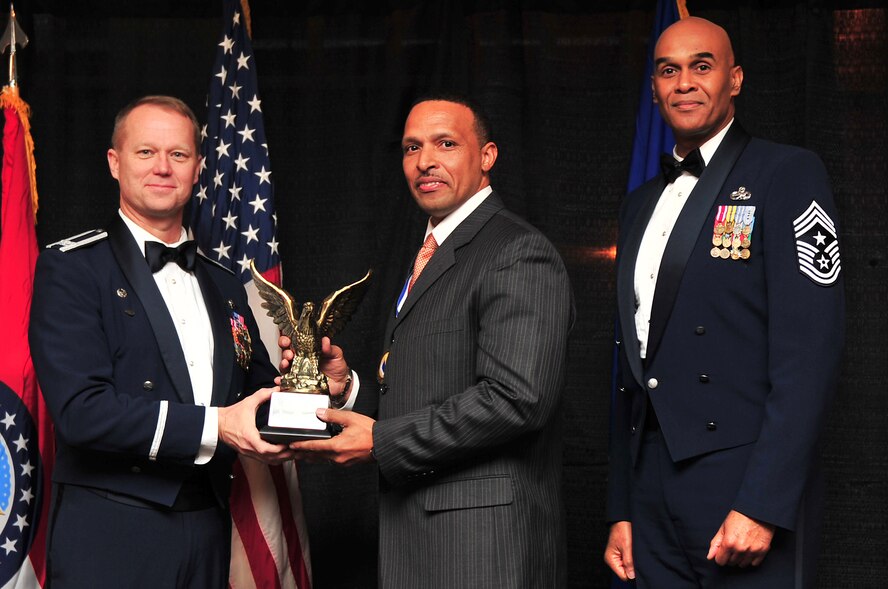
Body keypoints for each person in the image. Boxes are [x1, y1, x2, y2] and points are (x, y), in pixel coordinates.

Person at [282, 95, 574, 587]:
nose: (425, 161)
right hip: (420, 541)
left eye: (446, 143)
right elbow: (428, 390)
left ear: (487, 156)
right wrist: (347, 389)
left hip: (484, 550)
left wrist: (379, 441)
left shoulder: (516, 251)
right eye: (411, 147)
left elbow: (517, 399)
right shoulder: (432, 251)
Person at [604, 17, 844, 588]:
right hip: (651, 489)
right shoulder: (638, 205)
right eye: (668, 70)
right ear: (655, 89)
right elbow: (628, 362)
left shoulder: (787, 173)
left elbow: (810, 354)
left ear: (734, 80)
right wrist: (621, 505)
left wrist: (763, 502)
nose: (684, 82)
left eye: (701, 66)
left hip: (743, 481)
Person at [29, 96, 294, 588]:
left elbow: (255, 394)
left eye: (178, 154)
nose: (162, 168)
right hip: (112, 532)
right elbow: (81, 412)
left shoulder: (225, 282)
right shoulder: (72, 268)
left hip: (207, 529)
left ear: (198, 168)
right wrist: (217, 425)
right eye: (146, 152)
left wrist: (322, 392)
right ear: (115, 163)